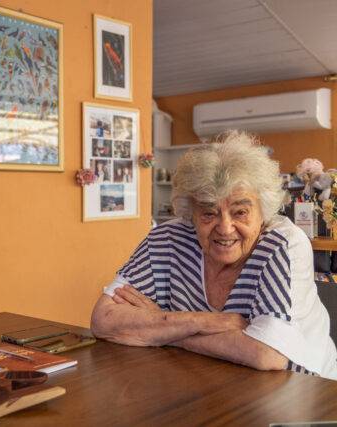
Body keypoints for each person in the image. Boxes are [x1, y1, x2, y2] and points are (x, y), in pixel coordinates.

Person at [91, 131, 337, 379]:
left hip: (307, 388)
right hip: (208, 378)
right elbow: (104, 319)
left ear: (264, 210)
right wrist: (200, 322)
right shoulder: (167, 238)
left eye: (240, 212)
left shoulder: (282, 244)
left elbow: (266, 354)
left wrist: (163, 330)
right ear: (191, 213)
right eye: (209, 213)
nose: (225, 228)